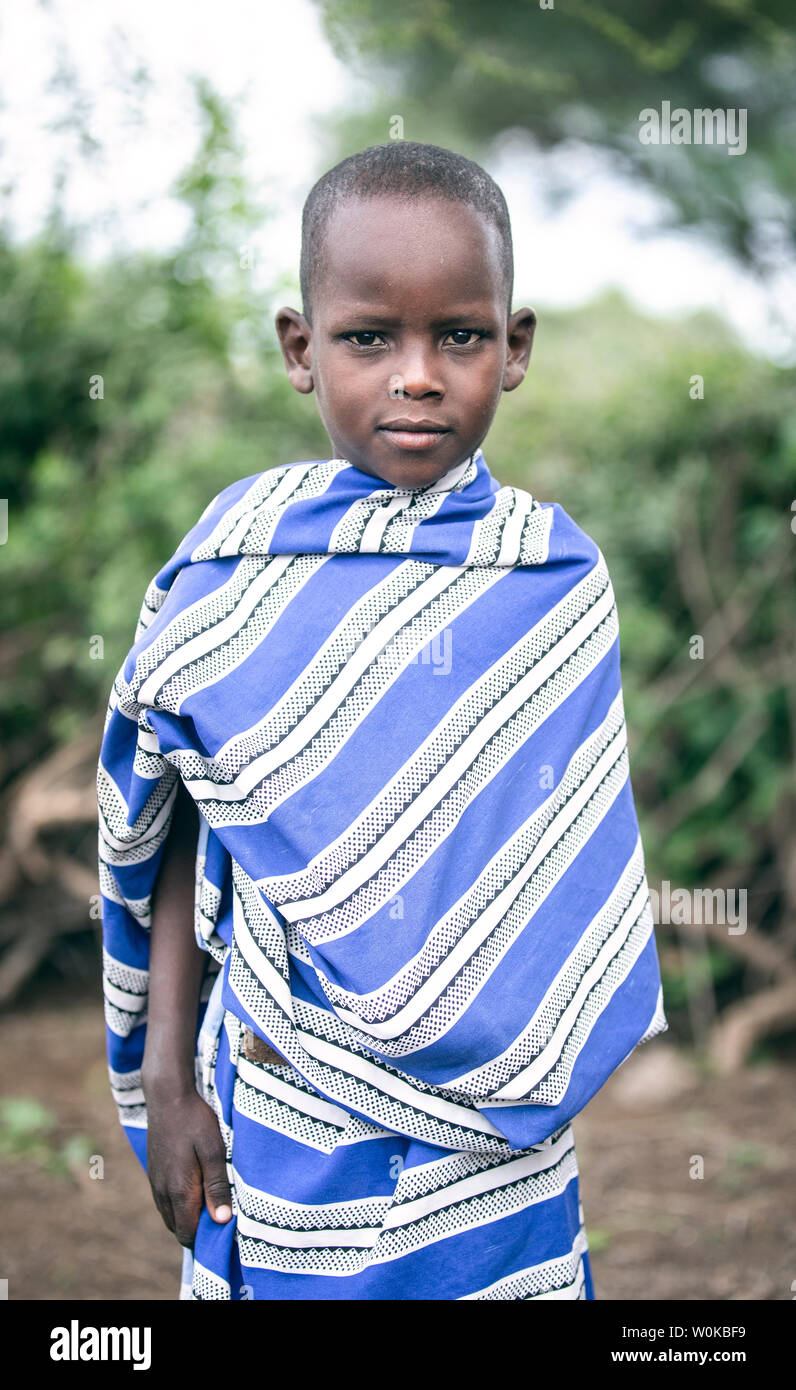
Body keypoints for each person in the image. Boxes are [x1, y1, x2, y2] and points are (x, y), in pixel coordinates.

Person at [96, 141, 668, 1301]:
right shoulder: (232, 567)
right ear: (300, 351)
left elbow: (547, 883)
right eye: (368, 338)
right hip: (275, 1113)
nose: (416, 374)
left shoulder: (548, 582)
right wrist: (165, 1077)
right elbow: (172, 827)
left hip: (488, 1155)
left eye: (459, 335)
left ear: (514, 349)